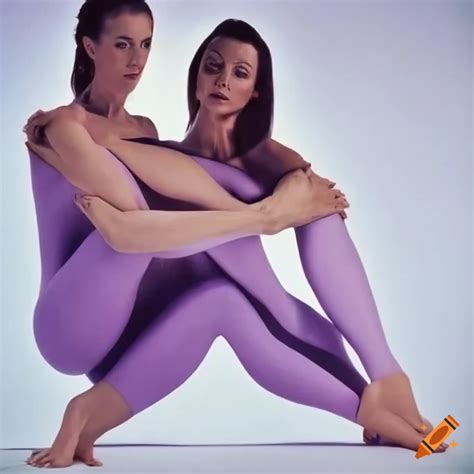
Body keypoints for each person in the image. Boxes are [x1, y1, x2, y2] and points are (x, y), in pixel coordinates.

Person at [23, 3, 446, 468]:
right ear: (89, 47)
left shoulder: (143, 131)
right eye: (122, 44)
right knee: (175, 230)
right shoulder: (64, 126)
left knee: (224, 298)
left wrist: (279, 204)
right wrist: (263, 217)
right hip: (68, 326)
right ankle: (383, 387)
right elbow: (129, 232)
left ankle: (377, 404)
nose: (136, 60)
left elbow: (154, 222)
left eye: (145, 44)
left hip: (127, 337)